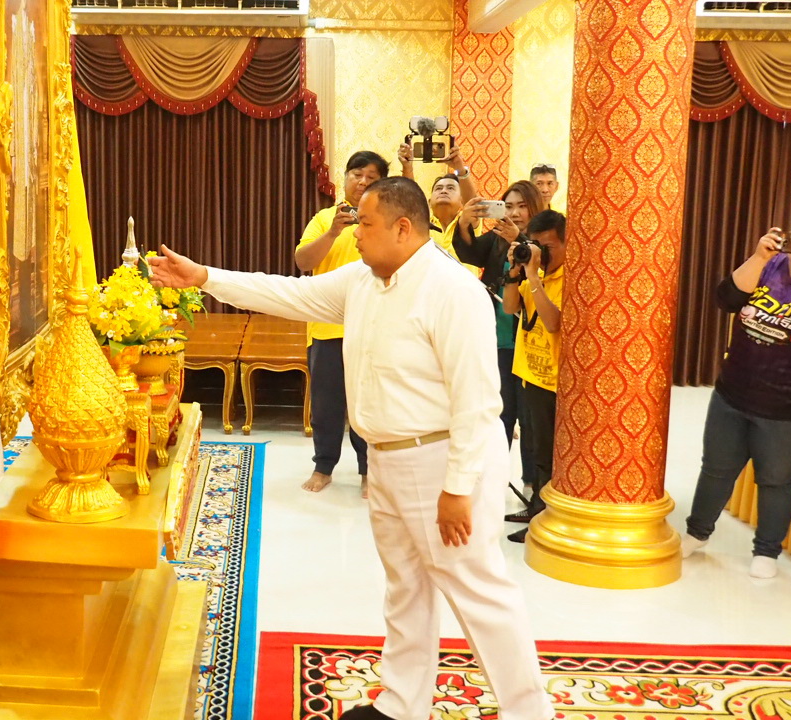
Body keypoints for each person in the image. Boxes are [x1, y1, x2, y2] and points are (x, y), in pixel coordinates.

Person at [149, 177, 553, 720]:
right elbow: (288, 293)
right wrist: (204, 277)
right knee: (405, 586)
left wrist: (458, 489)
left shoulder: (453, 291)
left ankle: (530, 712)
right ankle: (401, 703)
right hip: (387, 459)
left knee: (478, 593)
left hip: (442, 464)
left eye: (364, 224)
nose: (356, 235)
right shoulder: (365, 281)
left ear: (403, 228)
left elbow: (479, 404)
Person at [681, 212, 791, 579]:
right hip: (734, 392)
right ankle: (697, 533)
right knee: (716, 469)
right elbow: (726, 298)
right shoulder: (770, 265)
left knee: (776, 479)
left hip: (790, 407)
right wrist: (759, 256)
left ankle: (767, 550)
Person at [294, 151, 387, 496]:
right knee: (327, 402)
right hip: (326, 327)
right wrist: (333, 232)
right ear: (345, 178)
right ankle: (323, 467)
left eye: (372, 178)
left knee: (368, 402)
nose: (362, 182)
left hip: (373, 326)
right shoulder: (324, 218)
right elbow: (303, 261)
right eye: (357, 175)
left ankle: (367, 471)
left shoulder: (385, 222)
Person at [457, 181, 545, 497]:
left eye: (521, 205)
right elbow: (468, 250)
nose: (515, 212)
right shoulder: (496, 239)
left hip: (534, 340)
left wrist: (519, 240)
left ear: (534, 206)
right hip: (499, 336)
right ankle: (493, 482)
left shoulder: (546, 238)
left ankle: (533, 486)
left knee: (531, 417)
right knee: (499, 412)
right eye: (508, 206)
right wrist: (466, 221)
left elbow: (545, 265)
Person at [500, 210, 567, 544]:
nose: (541, 253)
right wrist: (516, 273)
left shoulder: (569, 278)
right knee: (534, 448)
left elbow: (553, 323)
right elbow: (511, 309)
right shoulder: (532, 274)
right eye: (535, 245)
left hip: (552, 381)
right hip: (527, 374)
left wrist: (534, 276)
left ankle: (542, 522)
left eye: (547, 246)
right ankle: (537, 509)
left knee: (546, 456)